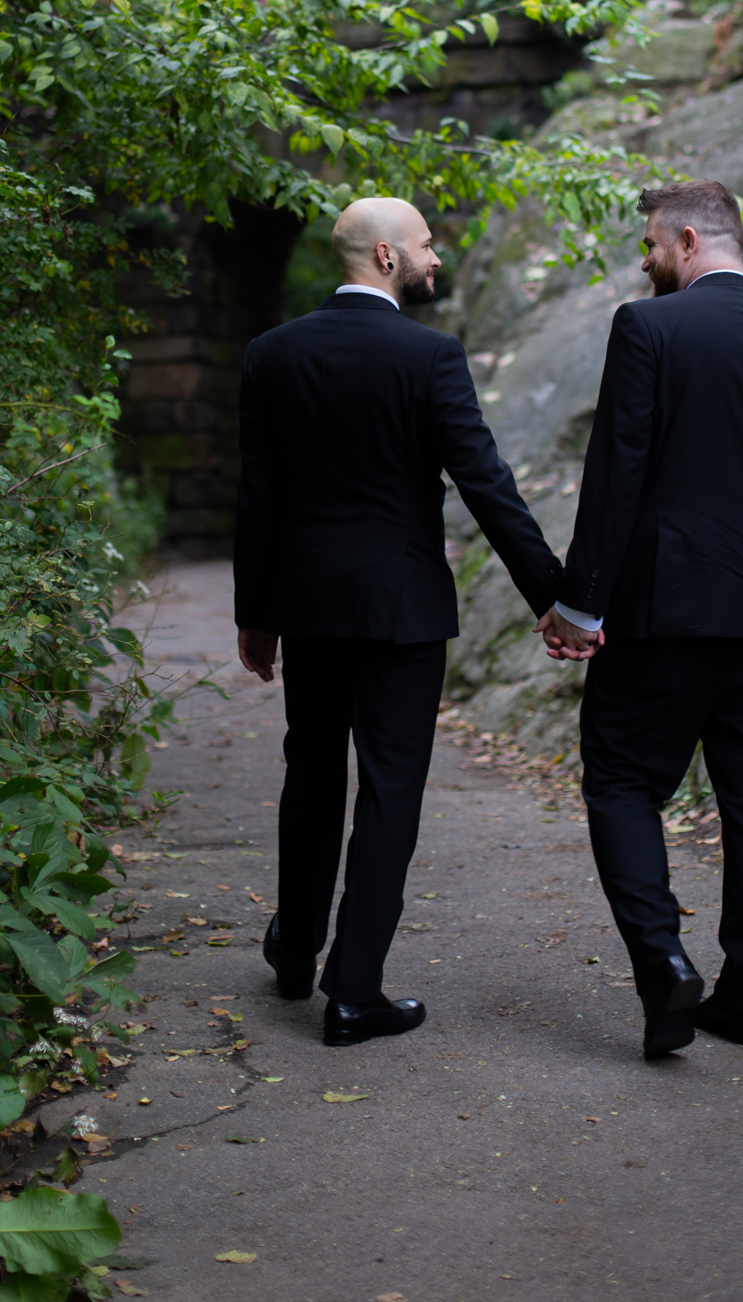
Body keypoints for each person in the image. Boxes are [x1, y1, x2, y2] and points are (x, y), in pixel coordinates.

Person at [234, 196, 563, 1046]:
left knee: (310, 777)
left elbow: (257, 496)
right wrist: (552, 598)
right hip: (402, 615)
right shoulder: (428, 357)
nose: (435, 259)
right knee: (388, 795)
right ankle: (353, 992)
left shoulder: (272, 355)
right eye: (423, 246)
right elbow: (485, 485)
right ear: (383, 257)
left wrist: (253, 614)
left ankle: (296, 948)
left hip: (306, 610)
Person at [535, 180, 743, 1060]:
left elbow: (616, 472)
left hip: (666, 613)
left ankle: (663, 960)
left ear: (690, 239)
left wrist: (578, 604)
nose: (644, 259)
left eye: (650, 244)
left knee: (622, 783)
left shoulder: (648, 329)